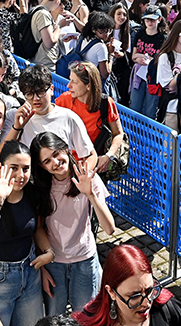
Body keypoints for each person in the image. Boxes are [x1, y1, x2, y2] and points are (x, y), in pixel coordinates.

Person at [30, 132, 116, 316]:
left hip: (84, 260)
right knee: (54, 318)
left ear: (66, 149)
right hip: (53, 262)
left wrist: (90, 194)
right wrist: (43, 267)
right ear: (41, 166)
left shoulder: (87, 178)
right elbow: (38, 228)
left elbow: (110, 229)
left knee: (86, 318)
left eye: (56, 154)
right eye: (47, 161)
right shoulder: (42, 188)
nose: (55, 162)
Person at [0, 141, 51, 326]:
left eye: (25, 169)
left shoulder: (32, 194)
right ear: (1, 168)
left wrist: (48, 252)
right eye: (14, 168)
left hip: (30, 274)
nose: (20, 175)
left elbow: (37, 229)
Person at [73, 245, 181, 326]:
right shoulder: (87, 322)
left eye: (149, 291)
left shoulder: (167, 310)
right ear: (111, 292)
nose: (146, 303)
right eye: (134, 296)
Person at [55, 62, 126, 175]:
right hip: (67, 165)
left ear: (89, 85)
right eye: (70, 80)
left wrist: (109, 156)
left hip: (94, 167)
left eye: (75, 82)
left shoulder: (106, 103)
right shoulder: (63, 101)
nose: (68, 85)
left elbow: (118, 134)